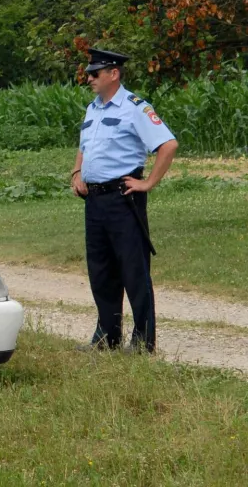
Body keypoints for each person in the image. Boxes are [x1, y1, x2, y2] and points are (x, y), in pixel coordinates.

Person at [72, 48, 178, 355]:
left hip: (123, 199)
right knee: (101, 271)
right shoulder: (93, 108)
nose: (89, 78)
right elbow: (84, 146)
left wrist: (148, 183)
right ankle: (107, 337)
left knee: (133, 271)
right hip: (94, 201)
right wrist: (77, 172)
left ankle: (143, 342)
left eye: (95, 73)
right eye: (89, 73)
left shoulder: (135, 108)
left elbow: (168, 144)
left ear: (113, 73)